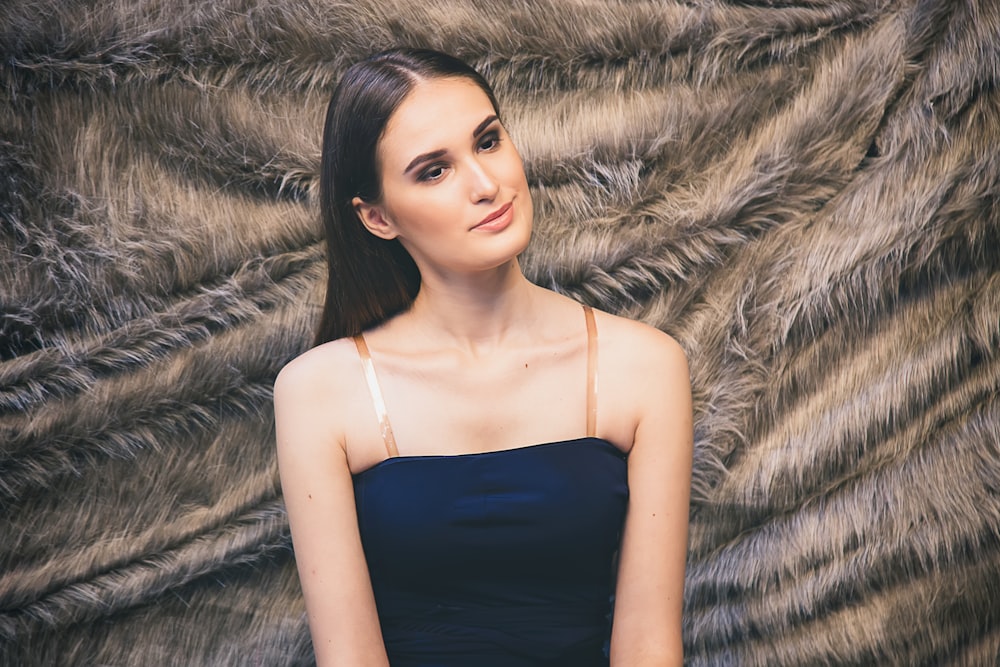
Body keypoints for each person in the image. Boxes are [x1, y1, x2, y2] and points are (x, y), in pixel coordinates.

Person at [274, 48, 693, 667]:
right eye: (434, 171)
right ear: (378, 217)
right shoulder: (320, 391)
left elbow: (649, 648)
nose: (486, 184)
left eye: (488, 141)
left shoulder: (645, 367)